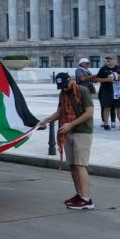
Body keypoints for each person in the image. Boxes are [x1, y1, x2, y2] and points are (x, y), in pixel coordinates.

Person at [38, 73, 95, 210]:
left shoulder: (83, 91)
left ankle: (86, 200)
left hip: (82, 131)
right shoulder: (62, 93)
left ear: (71, 80)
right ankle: (79, 194)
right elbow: (59, 113)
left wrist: (71, 124)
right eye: (61, 87)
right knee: (73, 165)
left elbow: (89, 113)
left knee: (80, 164)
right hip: (68, 131)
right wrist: (44, 121)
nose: (64, 88)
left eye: (65, 85)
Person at [95, 55, 120, 130]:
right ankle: (106, 124)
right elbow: (97, 79)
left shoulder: (118, 68)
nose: (108, 60)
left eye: (110, 59)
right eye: (107, 59)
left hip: (118, 91)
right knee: (107, 107)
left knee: (119, 108)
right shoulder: (103, 68)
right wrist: (107, 79)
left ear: (114, 60)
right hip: (107, 91)